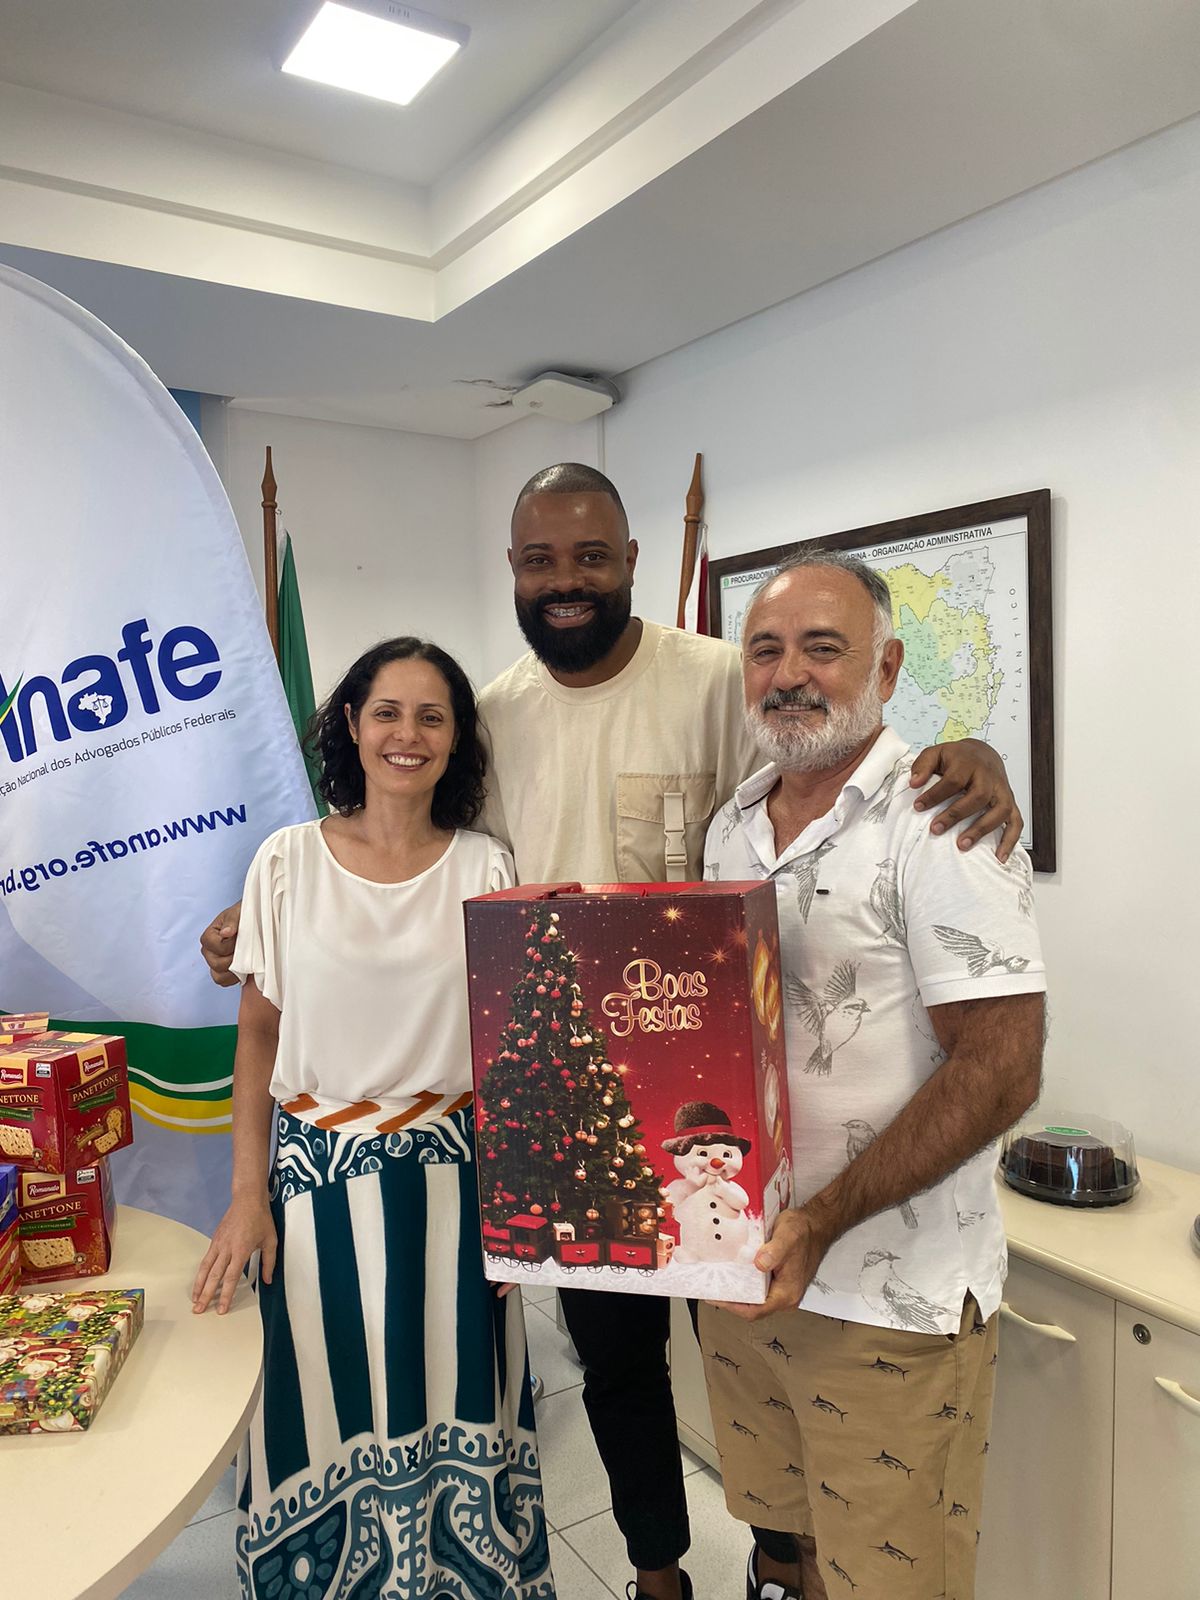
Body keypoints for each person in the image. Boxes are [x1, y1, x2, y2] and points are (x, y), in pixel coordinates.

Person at [202, 464, 1023, 1600]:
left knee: (747, 1350)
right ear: (512, 570)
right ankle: (657, 1573)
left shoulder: (720, 679)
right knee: (617, 1364)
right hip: (572, 1108)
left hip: (727, 1103)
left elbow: (837, 749)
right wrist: (265, 918)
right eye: (541, 559)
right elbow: (407, 862)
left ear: (631, 561)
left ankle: (778, 1563)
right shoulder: (491, 713)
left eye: (591, 556)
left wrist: (970, 752)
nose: (568, 580)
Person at [700, 548, 1046, 1600]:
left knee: (891, 1581)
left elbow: (1003, 1069)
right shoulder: (730, 828)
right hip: (750, 1277)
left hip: (889, 1302)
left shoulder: (944, 822)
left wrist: (823, 1220)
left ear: (886, 669)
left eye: (823, 648)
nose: (789, 674)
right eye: (766, 650)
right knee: (787, 1542)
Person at [192, 638, 552, 1600]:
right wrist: (246, 1197)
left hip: (456, 1189)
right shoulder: (286, 862)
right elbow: (258, 1038)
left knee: (456, 1399)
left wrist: (521, 1218)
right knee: (321, 1400)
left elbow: (513, 1060)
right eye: (387, 712)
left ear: (457, 738)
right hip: (315, 1192)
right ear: (351, 724)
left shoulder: (486, 866)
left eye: (433, 717)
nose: (408, 735)